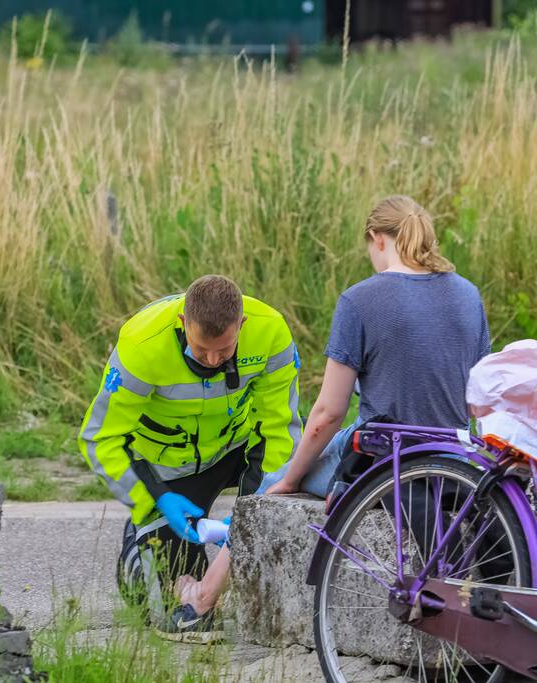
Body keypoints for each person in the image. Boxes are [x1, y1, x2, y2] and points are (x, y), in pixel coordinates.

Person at [173, 194, 492, 627]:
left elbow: (327, 414)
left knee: (269, 484)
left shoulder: (361, 301)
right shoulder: (467, 294)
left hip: (384, 457)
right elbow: (479, 399)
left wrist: (288, 478)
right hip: (453, 456)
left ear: (377, 240)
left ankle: (199, 603)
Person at [78, 274, 302, 643]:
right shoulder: (141, 344)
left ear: (242, 325)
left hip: (237, 449)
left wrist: (259, 503)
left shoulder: (270, 332)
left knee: (302, 471)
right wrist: (153, 498)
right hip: (170, 467)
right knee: (167, 608)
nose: (213, 360)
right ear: (183, 323)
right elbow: (99, 439)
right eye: (201, 351)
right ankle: (150, 540)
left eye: (225, 351)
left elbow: (281, 429)